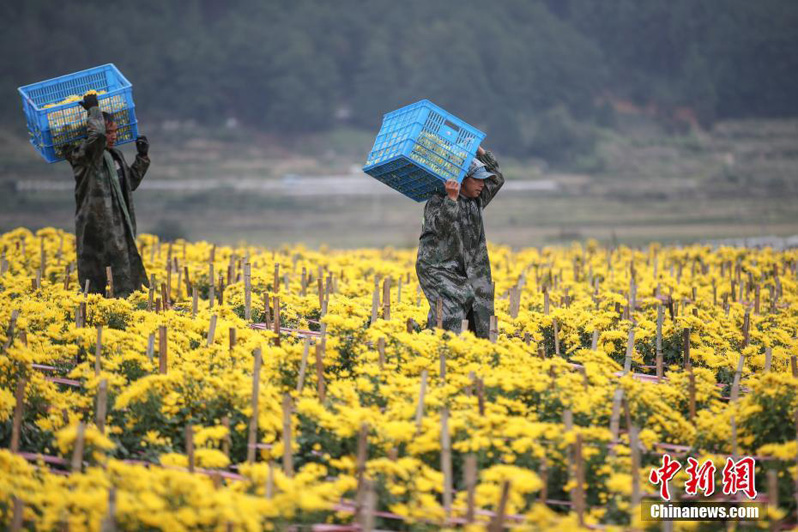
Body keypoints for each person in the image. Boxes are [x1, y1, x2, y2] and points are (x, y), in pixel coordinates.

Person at [66, 93, 150, 298]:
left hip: (118, 225)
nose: (113, 136)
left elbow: (128, 183)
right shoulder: (85, 154)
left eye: (115, 132)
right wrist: (93, 110)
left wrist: (142, 157)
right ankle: (99, 312)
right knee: (97, 275)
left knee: (123, 270)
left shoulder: (115, 155)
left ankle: (125, 305)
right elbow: (97, 138)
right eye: (109, 132)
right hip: (96, 225)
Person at [415, 145, 505, 338]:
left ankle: (476, 354)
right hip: (438, 268)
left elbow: (497, 178)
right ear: (462, 180)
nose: (482, 185)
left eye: (483, 181)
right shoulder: (437, 201)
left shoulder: (476, 200)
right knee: (451, 310)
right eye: (477, 180)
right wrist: (451, 199)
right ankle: (440, 350)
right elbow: (440, 228)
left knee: (480, 312)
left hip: (469, 268)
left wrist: (480, 151)